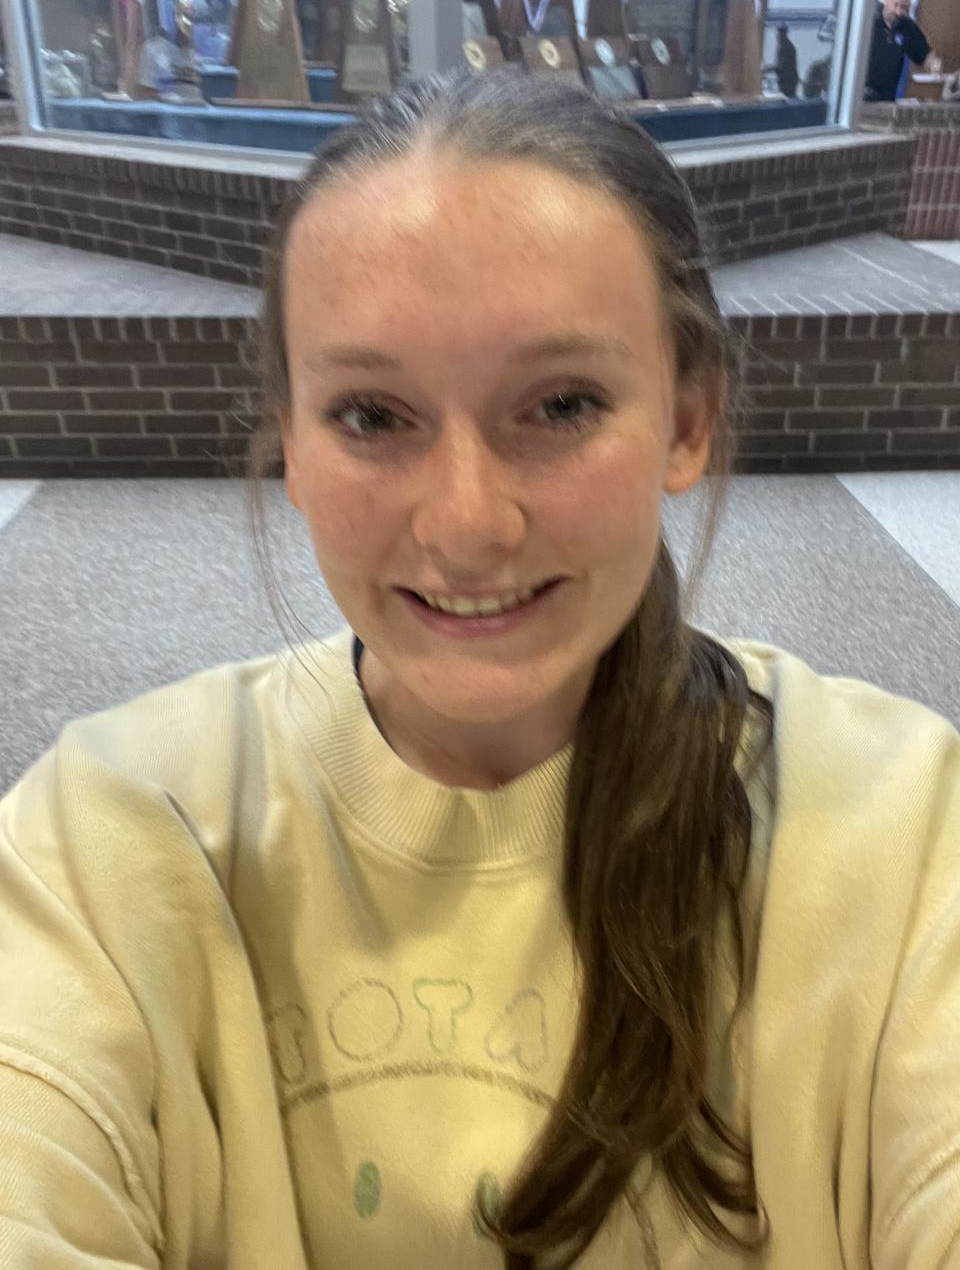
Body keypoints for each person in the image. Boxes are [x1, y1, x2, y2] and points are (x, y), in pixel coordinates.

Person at [1, 71, 959, 1269]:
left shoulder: (903, 828)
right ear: (291, 438)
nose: (465, 524)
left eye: (559, 405)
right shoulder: (102, 838)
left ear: (687, 420)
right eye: (372, 416)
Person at [864, 0, 942, 102]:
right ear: (886, 1)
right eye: (895, 5)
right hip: (861, 95)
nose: (899, 12)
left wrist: (933, 63)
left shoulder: (907, 26)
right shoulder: (869, 20)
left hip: (886, 100)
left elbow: (925, 55)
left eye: (904, 8)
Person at [773, 23, 798, 98]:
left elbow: (782, 66)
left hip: (788, 81)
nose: (777, 36)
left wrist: (766, 69)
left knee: (787, 98)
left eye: (779, 34)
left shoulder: (786, 47)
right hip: (784, 79)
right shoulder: (782, 45)